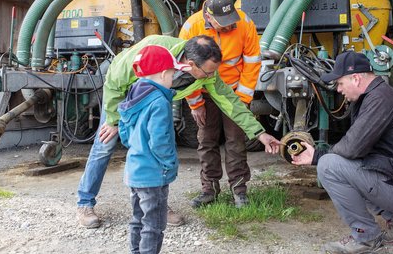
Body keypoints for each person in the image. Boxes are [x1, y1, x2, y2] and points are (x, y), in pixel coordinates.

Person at [76, 34, 281, 228]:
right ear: (191, 65)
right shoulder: (155, 48)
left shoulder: (205, 70)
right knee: (105, 144)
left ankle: (157, 205)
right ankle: (85, 203)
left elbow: (230, 102)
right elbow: (116, 79)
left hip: (155, 102)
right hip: (123, 93)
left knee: (158, 148)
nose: (212, 75)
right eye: (209, 72)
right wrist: (112, 120)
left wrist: (260, 133)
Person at [291, 51, 393, 254]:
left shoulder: (380, 99)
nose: (338, 89)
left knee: (329, 166)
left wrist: (317, 156)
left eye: (340, 83)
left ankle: (366, 238)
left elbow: (353, 147)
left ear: (356, 77)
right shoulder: (375, 96)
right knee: (345, 166)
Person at [178, 0, 261, 209]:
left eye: (230, 20)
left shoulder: (244, 22)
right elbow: (185, 70)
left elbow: (252, 62)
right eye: (222, 23)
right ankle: (209, 190)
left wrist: (242, 99)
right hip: (204, 93)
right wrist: (195, 104)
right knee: (206, 140)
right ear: (208, 16)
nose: (228, 26)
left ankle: (239, 191)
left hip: (233, 93)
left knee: (236, 142)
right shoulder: (191, 26)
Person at [118, 45, 190, 254]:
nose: (173, 78)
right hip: (153, 174)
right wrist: (169, 164)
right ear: (162, 74)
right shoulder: (159, 101)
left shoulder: (132, 96)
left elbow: (123, 130)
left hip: (134, 171)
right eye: (172, 74)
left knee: (137, 220)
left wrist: (133, 144)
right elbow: (160, 141)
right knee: (154, 225)